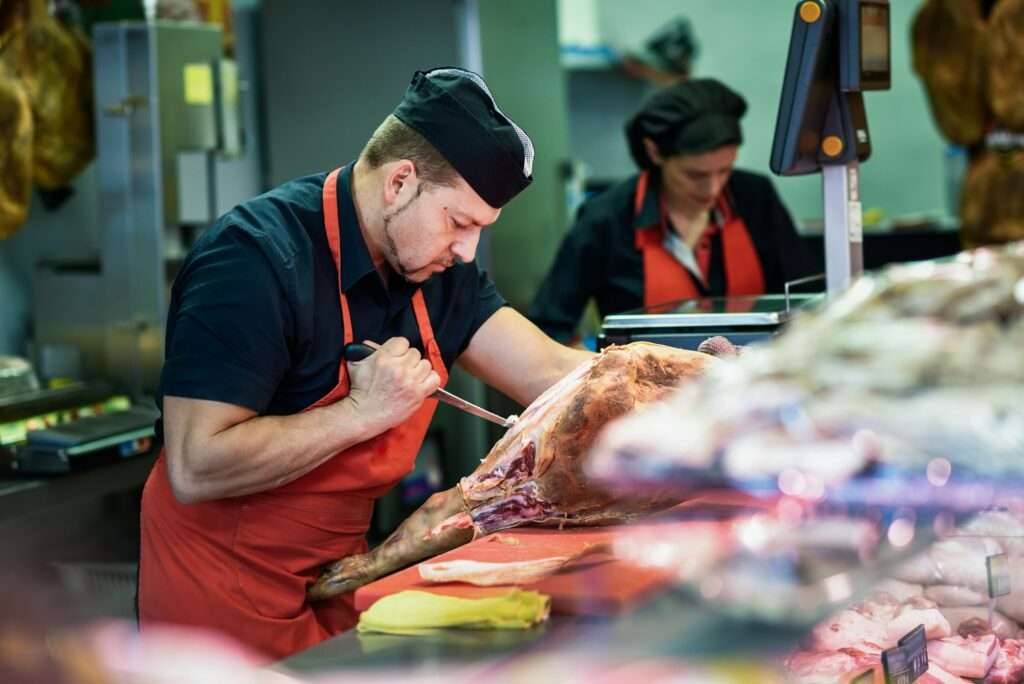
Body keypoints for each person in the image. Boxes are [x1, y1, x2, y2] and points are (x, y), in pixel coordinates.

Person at [138, 67, 591, 661]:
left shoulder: (441, 272)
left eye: (481, 229)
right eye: (459, 222)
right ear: (399, 182)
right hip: (217, 596)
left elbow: (551, 372)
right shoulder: (253, 260)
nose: (466, 251)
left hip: (339, 578)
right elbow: (196, 466)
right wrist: (360, 412)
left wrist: (701, 381)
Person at [529, 78, 821, 343]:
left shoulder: (755, 198)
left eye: (725, 171)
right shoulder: (606, 219)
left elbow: (808, 302)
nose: (713, 189)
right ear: (655, 152)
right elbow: (550, 326)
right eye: (695, 175)